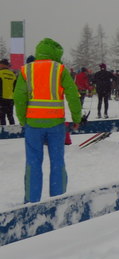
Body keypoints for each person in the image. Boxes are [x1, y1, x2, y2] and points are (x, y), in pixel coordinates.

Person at [13, 38, 82, 203]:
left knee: (33, 163)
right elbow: (73, 95)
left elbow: (19, 97)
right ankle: (58, 200)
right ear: (56, 53)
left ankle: (31, 201)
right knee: (57, 162)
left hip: (33, 124)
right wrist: (76, 118)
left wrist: (22, 120)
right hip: (56, 124)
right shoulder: (60, 69)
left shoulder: (26, 70)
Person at [0, 58, 16, 125]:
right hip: (11, 99)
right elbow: (15, 88)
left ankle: (3, 130)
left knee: (2, 117)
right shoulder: (13, 75)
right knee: (10, 116)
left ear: (2, 65)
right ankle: (13, 128)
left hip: (1, 98)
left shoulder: (0, 73)